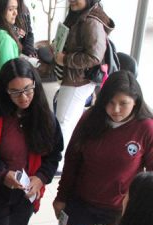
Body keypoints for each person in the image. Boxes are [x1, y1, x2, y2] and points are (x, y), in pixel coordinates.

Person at [0, 58, 63, 225]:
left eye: (28, 89)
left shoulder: (45, 116)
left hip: (25, 196)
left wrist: (41, 178)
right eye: (15, 92)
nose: (23, 97)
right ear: (5, 91)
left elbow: (54, 154)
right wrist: (2, 173)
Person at [53, 70, 153, 225]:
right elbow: (72, 160)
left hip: (118, 211)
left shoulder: (146, 128)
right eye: (110, 102)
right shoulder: (91, 117)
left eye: (123, 103)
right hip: (80, 204)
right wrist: (61, 196)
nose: (116, 109)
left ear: (135, 101)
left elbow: (150, 178)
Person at [55, 0, 115, 172]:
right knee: (68, 119)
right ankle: (63, 158)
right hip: (74, 78)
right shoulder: (79, 15)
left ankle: (58, 164)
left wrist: (65, 59)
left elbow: (95, 56)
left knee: (63, 121)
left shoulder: (91, 21)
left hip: (79, 80)